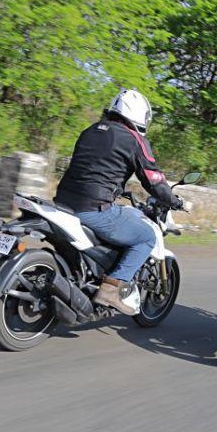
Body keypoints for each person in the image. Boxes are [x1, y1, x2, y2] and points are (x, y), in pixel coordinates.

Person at [55, 88, 183, 315]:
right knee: (146, 236)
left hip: (63, 203)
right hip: (94, 209)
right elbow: (153, 179)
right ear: (141, 116)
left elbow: (94, 168)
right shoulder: (134, 140)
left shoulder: (90, 130)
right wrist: (174, 201)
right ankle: (111, 289)